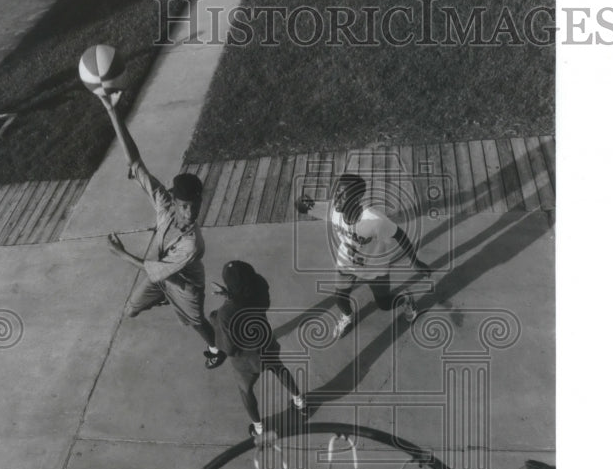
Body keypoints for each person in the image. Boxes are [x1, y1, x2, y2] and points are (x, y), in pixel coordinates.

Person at [99, 92, 224, 369]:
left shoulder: (192, 244)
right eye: (183, 206)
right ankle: (164, 299)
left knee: (197, 322)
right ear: (173, 199)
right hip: (162, 276)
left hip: (186, 286)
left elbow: (153, 269)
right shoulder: (164, 205)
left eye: (194, 206)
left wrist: (121, 254)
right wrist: (112, 112)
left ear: (200, 202)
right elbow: (135, 161)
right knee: (130, 311)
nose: (189, 213)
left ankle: (216, 348)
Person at [295, 173, 431, 339]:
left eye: (343, 195)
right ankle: (347, 317)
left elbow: (400, 235)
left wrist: (415, 262)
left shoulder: (375, 221)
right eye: (336, 192)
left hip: (375, 268)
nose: (337, 198)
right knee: (340, 298)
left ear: (357, 198)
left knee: (385, 304)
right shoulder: (332, 210)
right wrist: (301, 201)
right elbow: (301, 207)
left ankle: (406, 299)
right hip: (346, 265)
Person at [210, 260, 307, 443]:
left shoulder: (225, 313)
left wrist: (215, 321)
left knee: (245, 390)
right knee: (280, 370)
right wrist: (229, 294)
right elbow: (260, 303)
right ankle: (301, 402)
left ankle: (259, 428)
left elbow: (229, 348)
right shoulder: (259, 284)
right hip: (267, 344)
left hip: (246, 361)